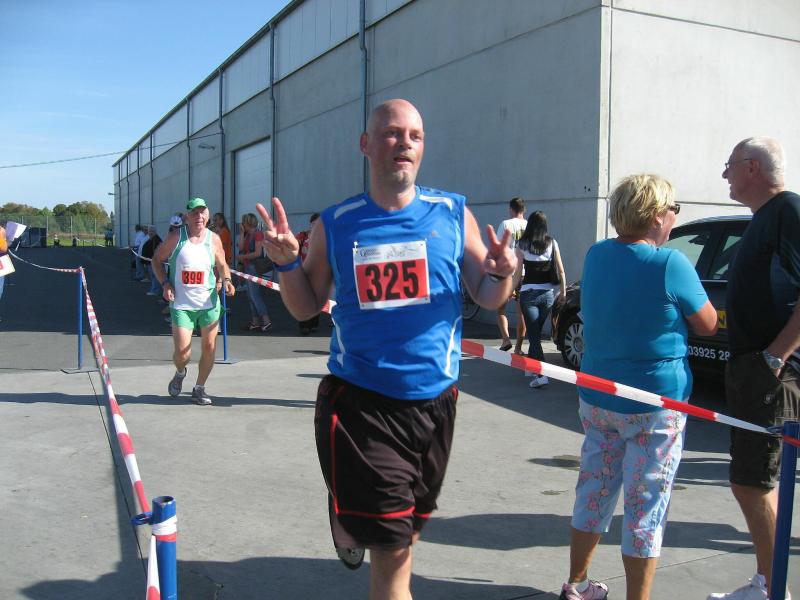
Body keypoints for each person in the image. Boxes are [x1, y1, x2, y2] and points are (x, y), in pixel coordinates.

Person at [255, 98, 517, 600]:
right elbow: (305, 306)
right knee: (394, 556)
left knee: (405, 537)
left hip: (436, 404)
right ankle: (356, 508)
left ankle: (349, 509)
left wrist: (504, 274)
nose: (404, 143)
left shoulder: (452, 213)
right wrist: (287, 264)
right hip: (363, 407)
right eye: (393, 133)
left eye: (414, 136)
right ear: (366, 144)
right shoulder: (337, 223)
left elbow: (489, 294)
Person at [560, 174, 718, 600]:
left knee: (593, 489)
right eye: (673, 209)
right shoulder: (670, 264)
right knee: (645, 505)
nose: (675, 217)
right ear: (655, 216)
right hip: (655, 405)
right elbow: (708, 323)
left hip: (598, 396)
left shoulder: (597, 255)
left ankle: (577, 583)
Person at [708, 138, 800, 600]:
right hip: (755, 367)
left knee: (752, 481)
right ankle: (768, 580)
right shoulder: (766, 217)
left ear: (752, 168)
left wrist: (775, 356)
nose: (724, 174)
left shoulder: (788, 210)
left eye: (729, 165)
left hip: (770, 372)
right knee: (753, 481)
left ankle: (771, 587)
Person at [151, 198, 235, 406]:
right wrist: (165, 284)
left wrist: (226, 280)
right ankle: (180, 372)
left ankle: (199, 388)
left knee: (209, 347)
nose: (199, 217)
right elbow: (156, 261)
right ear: (187, 217)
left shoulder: (214, 239)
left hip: (208, 303)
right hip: (182, 304)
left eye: (202, 212)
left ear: (208, 215)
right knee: (183, 353)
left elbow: (222, 264)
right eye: (194, 213)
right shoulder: (176, 238)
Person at [516, 210, 566, 388]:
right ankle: (531, 366)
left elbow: (517, 273)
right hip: (548, 296)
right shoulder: (552, 243)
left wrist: (509, 290)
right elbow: (561, 270)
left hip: (528, 295)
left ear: (530, 225)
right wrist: (563, 292)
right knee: (535, 332)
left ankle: (542, 374)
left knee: (534, 335)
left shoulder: (522, 244)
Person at [496, 197, 528, 353]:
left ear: (511, 209)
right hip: (525, 273)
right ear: (524, 209)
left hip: (508, 273)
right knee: (521, 313)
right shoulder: (530, 225)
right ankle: (518, 347)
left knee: (500, 309)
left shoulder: (506, 224)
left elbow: (498, 249)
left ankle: (506, 340)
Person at [238, 212, 273, 332]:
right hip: (248, 267)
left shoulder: (258, 234)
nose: (242, 224)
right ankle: (255, 321)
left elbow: (257, 253)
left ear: (247, 223)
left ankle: (266, 320)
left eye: (243, 222)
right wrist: (242, 233)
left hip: (254, 267)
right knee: (250, 295)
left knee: (255, 295)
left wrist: (243, 257)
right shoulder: (248, 235)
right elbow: (241, 247)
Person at [294, 212, 320, 335]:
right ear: (310, 224)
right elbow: (293, 248)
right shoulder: (303, 235)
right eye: (314, 224)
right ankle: (304, 325)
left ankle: (314, 323)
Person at [141, 225, 163, 297]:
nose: (150, 233)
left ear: (155, 232)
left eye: (152, 231)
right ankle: (155, 290)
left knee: (155, 276)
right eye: (149, 231)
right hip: (150, 262)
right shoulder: (151, 239)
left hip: (154, 262)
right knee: (153, 276)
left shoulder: (157, 240)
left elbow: (157, 252)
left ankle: (154, 291)